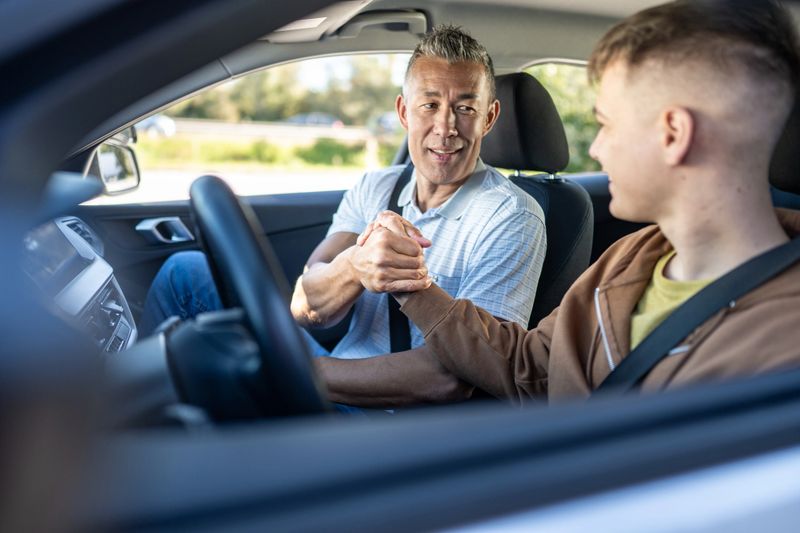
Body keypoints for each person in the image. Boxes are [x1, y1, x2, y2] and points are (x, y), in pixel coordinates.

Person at [321, 0, 800, 406]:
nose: (595, 149)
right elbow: (528, 365)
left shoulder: (782, 340)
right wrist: (407, 281)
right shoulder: (631, 259)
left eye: (607, 124)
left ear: (673, 134)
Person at [141, 26, 547, 398]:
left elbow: (458, 375)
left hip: (390, 419)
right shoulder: (376, 187)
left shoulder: (511, 216)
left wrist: (302, 373)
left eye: (465, 108)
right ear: (405, 112)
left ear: (489, 117)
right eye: (430, 105)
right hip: (333, 372)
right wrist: (355, 266)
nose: (446, 127)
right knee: (184, 272)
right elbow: (306, 305)